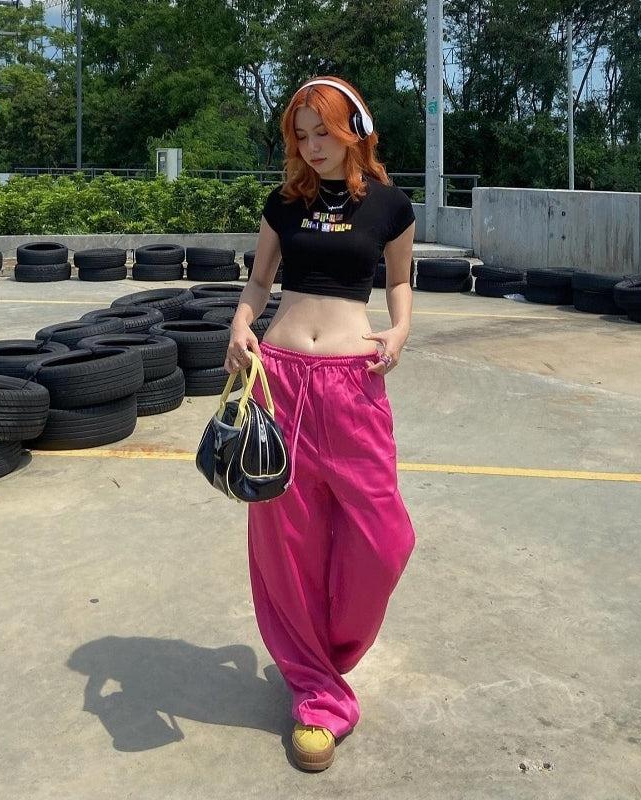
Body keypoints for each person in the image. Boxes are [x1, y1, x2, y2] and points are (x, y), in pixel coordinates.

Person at [225, 75, 417, 772]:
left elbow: (399, 282)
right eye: (300, 135)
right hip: (279, 380)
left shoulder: (390, 206)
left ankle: (327, 655)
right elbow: (259, 282)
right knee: (286, 543)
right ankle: (316, 693)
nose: (311, 147)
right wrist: (241, 325)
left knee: (384, 538)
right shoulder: (284, 203)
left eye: (323, 133)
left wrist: (399, 330)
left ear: (353, 131)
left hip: (352, 383)